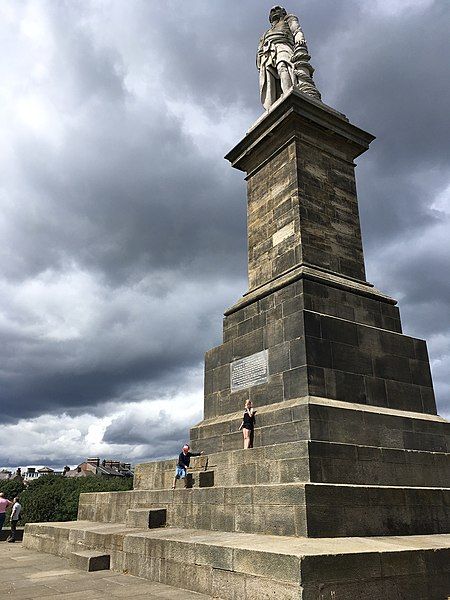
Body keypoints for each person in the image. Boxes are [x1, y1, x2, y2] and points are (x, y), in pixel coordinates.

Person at [257, 5, 321, 110]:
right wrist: (260, 58)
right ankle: (275, 101)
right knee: (270, 79)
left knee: (283, 66)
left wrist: (299, 38)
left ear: (283, 12)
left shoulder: (289, 19)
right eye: (272, 11)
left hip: (283, 46)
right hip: (267, 53)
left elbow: (297, 30)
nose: (274, 12)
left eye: (277, 9)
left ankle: (288, 92)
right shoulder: (266, 33)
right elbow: (260, 46)